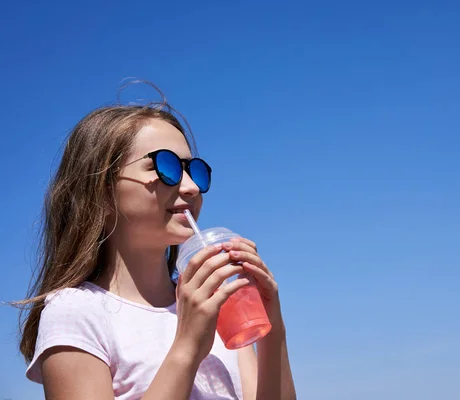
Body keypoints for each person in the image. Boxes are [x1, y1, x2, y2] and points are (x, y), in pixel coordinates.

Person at [15, 91, 296, 399]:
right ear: (102, 192)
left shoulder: (214, 300)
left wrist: (273, 327)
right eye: (166, 168)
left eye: (194, 170)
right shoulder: (76, 312)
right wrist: (187, 348)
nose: (190, 187)